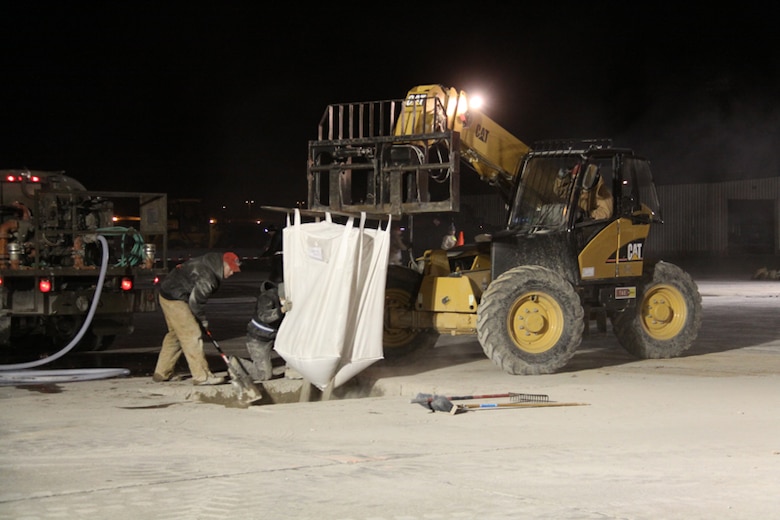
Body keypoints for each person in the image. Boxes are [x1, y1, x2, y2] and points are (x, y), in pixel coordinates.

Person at [152, 251, 242, 385]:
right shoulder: (208, 277)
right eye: (231, 269)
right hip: (175, 298)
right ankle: (202, 376)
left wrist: (200, 318)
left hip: (167, 292)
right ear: (223, 265)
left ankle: (161, 373)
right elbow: (196, 303)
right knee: (192, 334)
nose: (232, 273)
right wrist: (203, 321)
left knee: (176, 334)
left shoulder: (212, 262)